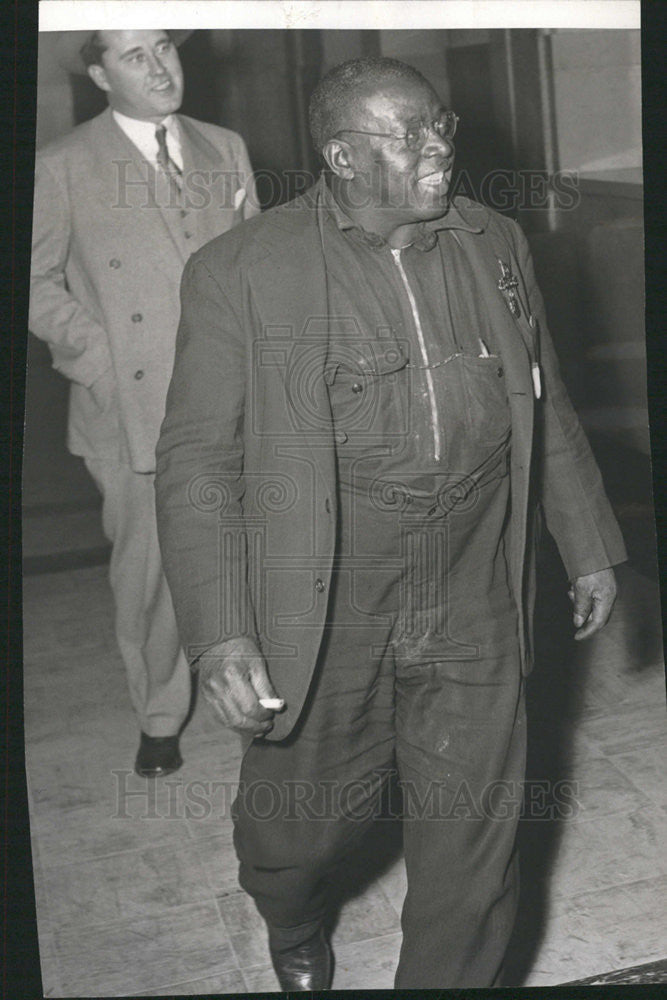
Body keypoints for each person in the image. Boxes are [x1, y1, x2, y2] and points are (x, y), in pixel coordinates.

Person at [154, 57, 626, 988]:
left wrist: (587, 543)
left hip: (472, 581)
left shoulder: (493, 241)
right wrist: (221, 635)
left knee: (476, 845)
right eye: (407, 134)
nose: (439, 145)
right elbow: (197, 461)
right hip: (331, 598)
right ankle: (293, 920)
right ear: (340, 155)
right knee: (293, 834)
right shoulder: (242, 272)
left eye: (439, 124)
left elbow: (546, 401)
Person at [29, 29, 259, 778]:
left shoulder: (223, 145)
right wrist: (100, 359)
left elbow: (258, 263)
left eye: (165, 47)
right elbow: (32, 284)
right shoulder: (61, 166)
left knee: (247, 557)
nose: (160, 67)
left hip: (231, 400)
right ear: (99, 73)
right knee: (150, 575)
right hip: (129, 409)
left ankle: (253, 697)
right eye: (136, 56)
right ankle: (161, 715)